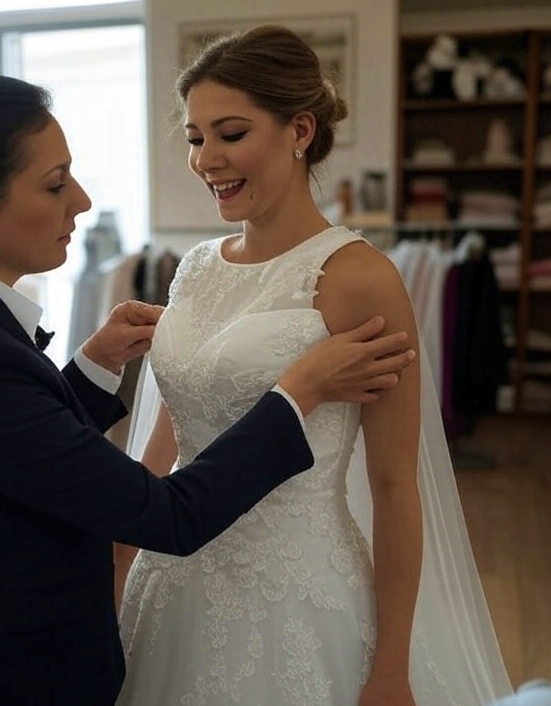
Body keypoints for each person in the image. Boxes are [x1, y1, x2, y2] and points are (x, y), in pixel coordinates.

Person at [0, 71, 417, 706]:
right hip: (0, 676)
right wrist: (297, 391)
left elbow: (19, 453)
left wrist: (91, 365)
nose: (81, 201)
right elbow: (168, 514)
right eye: (55, 184)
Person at [114, 26, 514, 706]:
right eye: (194, 137)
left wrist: (391, 668)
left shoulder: (360, 279)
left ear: (300, 130)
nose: (207, 159)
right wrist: (116, 566)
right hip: (171, 579)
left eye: (230, 133)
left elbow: (394, 487)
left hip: (295, 594)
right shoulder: (195, 268)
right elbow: (169, 439)